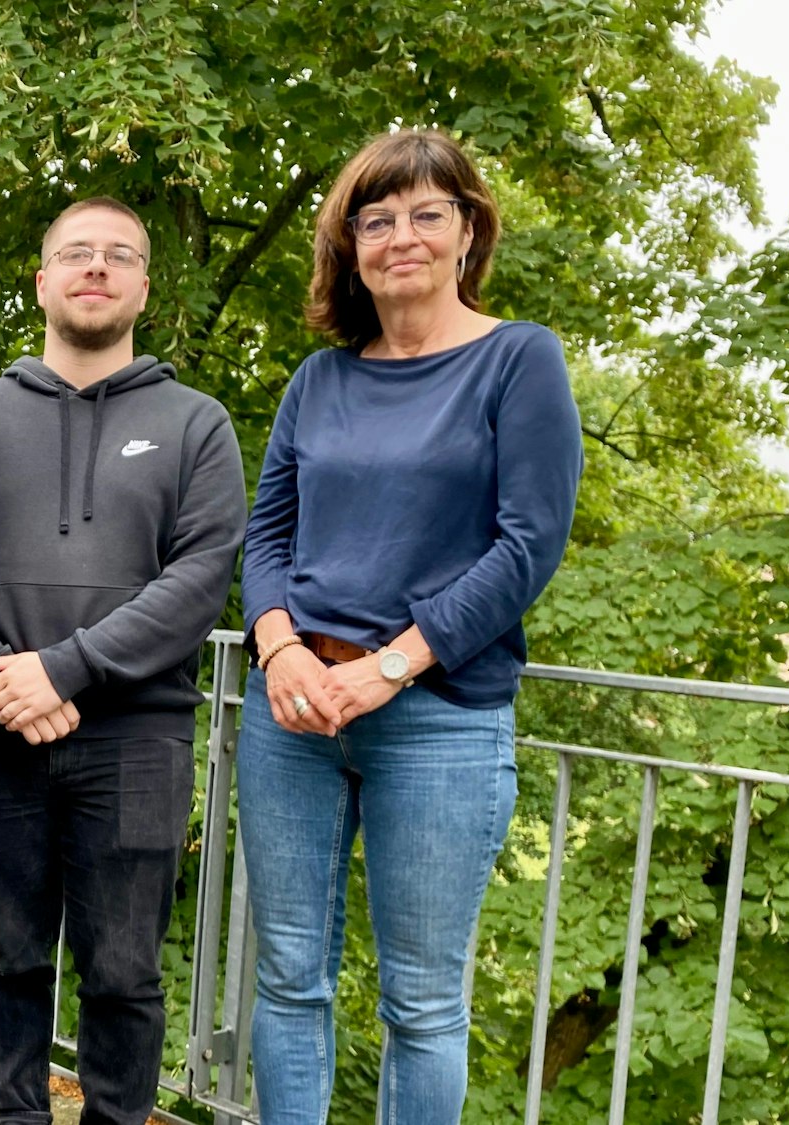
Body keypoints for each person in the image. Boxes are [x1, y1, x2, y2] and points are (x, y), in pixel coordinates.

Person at [237, 128, 583, 1124]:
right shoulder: (320, 380)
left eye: (425, 215)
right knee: (286, 978)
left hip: (437, 718)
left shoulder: (518, 360)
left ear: (467, 231)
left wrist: (387, 667)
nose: (400, 237)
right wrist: (279, 649)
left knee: (422, 1004)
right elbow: (263, 539)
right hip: (291, 715)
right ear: (348, 245)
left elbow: (524, 548)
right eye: (375, 220)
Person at [0, 196, 246, 1124]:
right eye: (75, 253)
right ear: (42, 279)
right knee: (6, 959)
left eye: (118, 255)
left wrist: (65, 669)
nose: (95, 268)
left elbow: (200, 577)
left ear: (144, 284)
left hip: (137, 743)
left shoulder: (196, 423)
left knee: (123, 972)